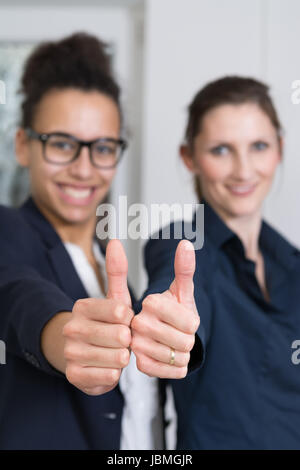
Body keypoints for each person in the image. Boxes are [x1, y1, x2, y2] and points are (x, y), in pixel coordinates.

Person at [0, 32, 199, 450]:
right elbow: (17, 293)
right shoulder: (9, 231)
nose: (84, 168)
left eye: (103, 147)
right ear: (23, 145)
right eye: (62, 144)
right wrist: (61, 334)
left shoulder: (116, 276)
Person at [132, 76, 300, 449]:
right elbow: (176, 293)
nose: (243, 170)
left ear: (279, 150)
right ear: (189, 157)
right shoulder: (183, 245)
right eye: (221, 150)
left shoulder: (293, 263)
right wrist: (170, 327)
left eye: (258, 146)